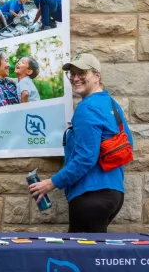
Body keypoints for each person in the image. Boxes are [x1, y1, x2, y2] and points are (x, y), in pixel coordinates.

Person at [28, 53, 133, 233]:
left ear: (97, 76)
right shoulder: (111, 103)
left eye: (82, 73)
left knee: (81, 258)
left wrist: (51, 183)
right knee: (87, 255)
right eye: (72, 74)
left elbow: (85, 158)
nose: (76, 78)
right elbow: (127, 142)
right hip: (113, 194)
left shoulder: (87, 108)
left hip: (91, 195)